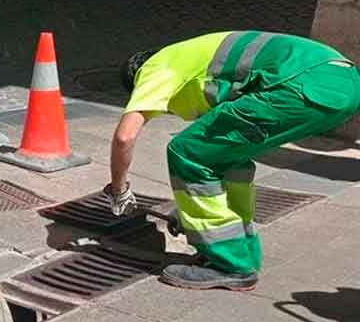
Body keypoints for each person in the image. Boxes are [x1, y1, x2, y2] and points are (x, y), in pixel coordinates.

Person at [107, 31, 360, 290]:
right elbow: (217, 158)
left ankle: (229, 264)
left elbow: (124, 137)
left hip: (302, 83)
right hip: (344, 83)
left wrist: (119, 190)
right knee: (227, 157)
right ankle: (239, 248)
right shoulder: (192, 58)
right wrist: (191, 214)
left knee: (187, 152)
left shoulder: (154, 68)